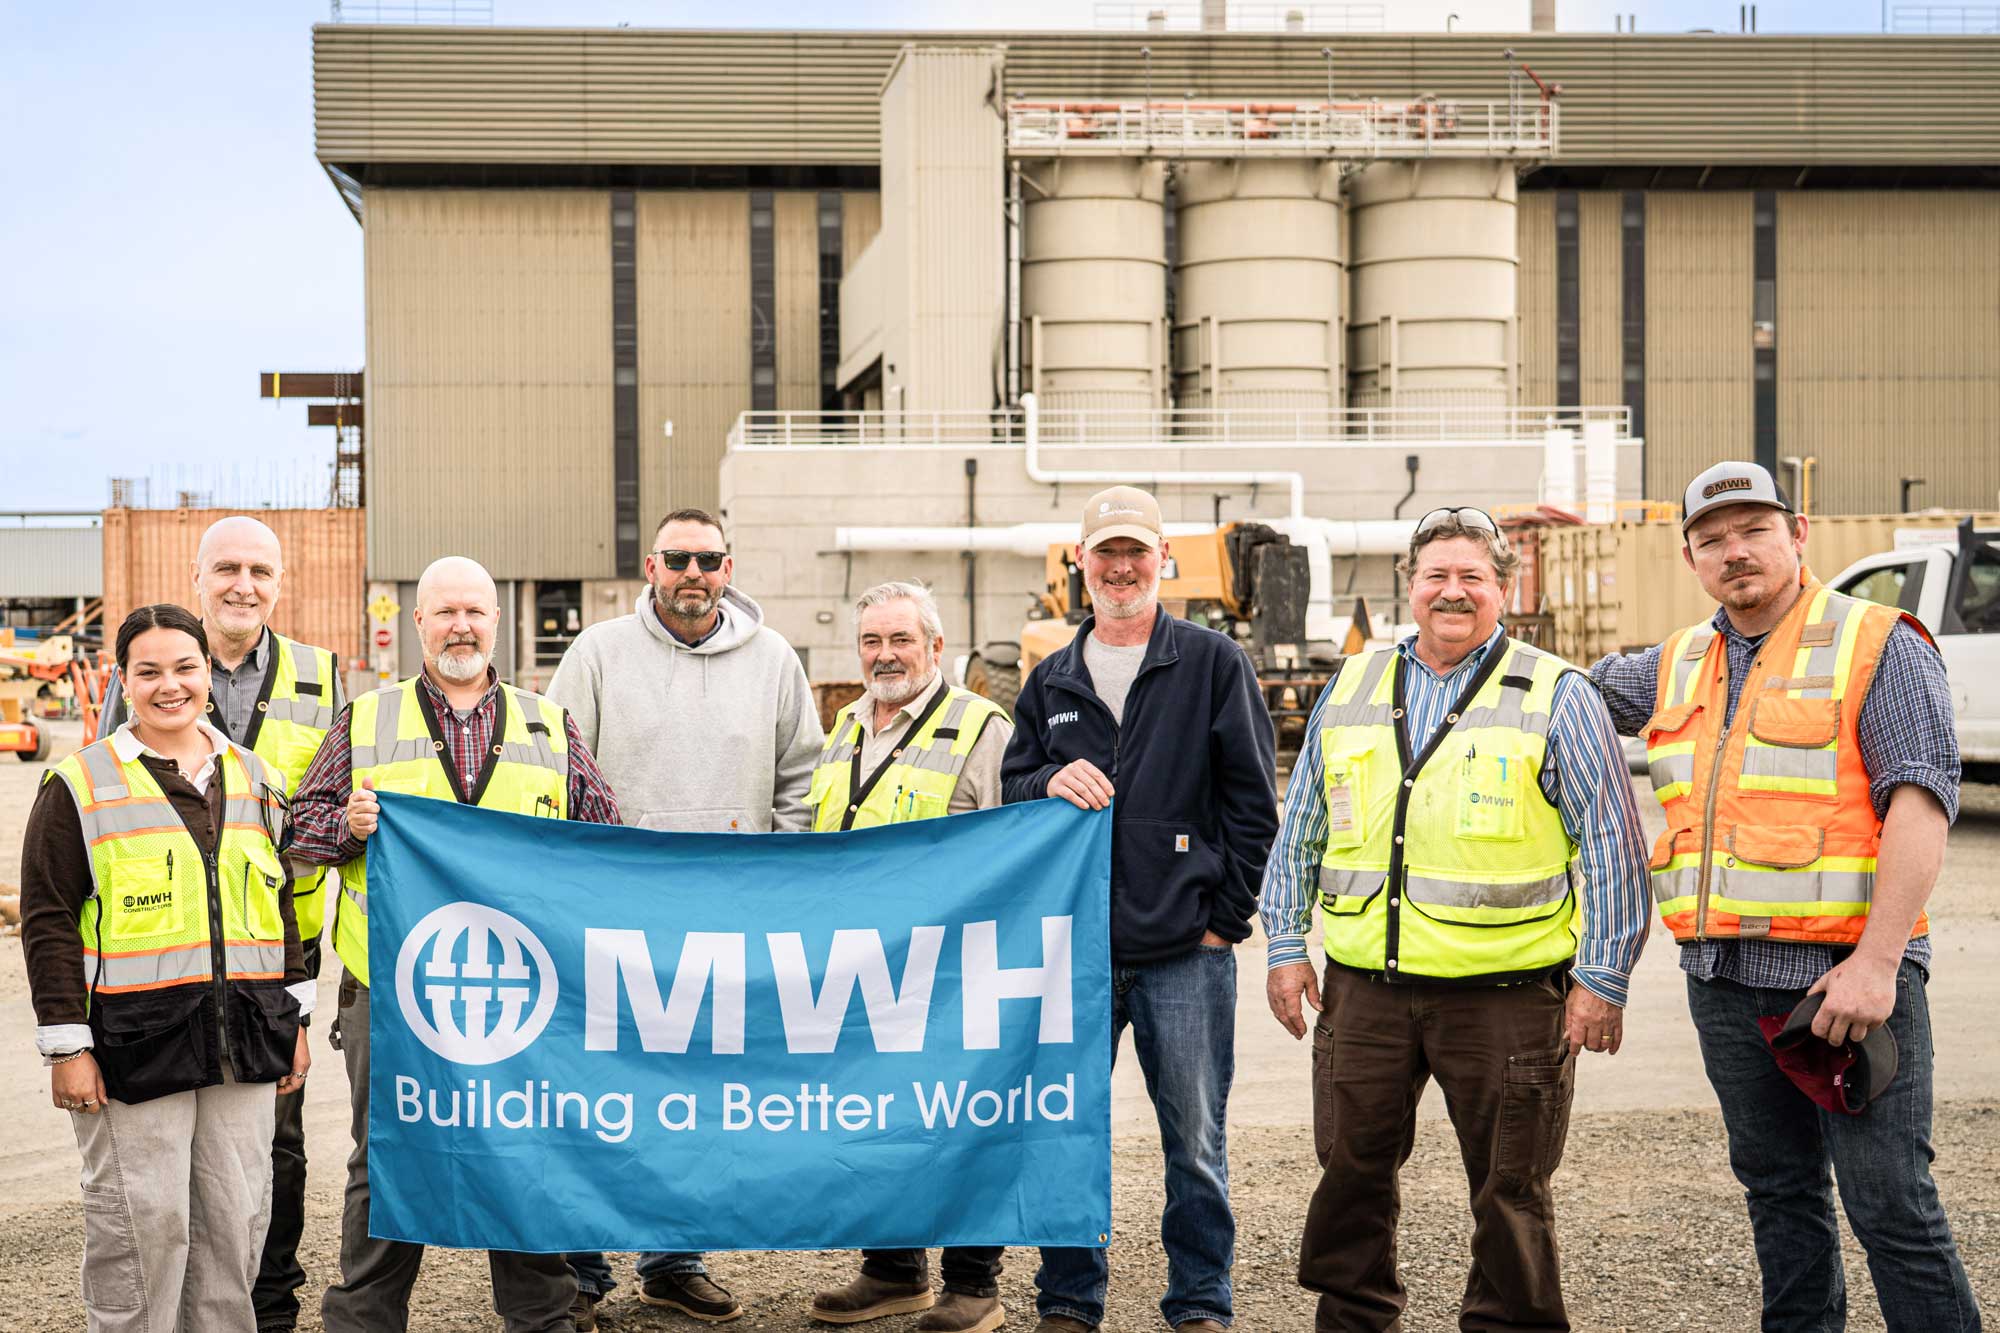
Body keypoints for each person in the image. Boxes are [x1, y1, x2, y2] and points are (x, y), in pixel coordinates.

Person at [1590, 462, 1983, 1331]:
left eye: (1753, 530)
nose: (1735, 551)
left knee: (1891, 1203)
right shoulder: (1674, 664)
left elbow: (1921, 804)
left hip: (1843, 982)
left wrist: (1877, 964)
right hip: (1722, 979)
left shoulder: (1879, 642)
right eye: (1712, 539)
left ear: (1797, 533)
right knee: (1779, 1192)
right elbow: (1562, 693)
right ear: (1690, 557)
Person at [1261, 507, 1651, 1331]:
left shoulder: (1557, 693)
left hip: (1506, 997)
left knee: (1510, 1186)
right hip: (1365, 992)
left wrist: (1602, 979)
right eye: (1436, 574)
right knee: (1351, 1174)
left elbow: (1613, 845)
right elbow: (1301, 829)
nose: (1453, 591)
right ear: (1410, 586)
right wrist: (1286, 944)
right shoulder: (1353, 684)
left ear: (1503, 588)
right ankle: (1356, 1320)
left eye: (1472, 576)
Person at [288, 556, 624, 1333]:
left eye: (474, 611)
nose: (461, 626)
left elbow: (604, 837)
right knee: (387, 1154)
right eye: (445, 612)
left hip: (523, 990)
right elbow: (299, 827)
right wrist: (348, 828)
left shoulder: (548, 724)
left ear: (496, 620)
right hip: (391, 990)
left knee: (523, 1147)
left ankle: (542, 1316)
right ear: (419, 624)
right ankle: (364, 1320)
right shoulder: (365, 720)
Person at [999, 486, 1278, 1333]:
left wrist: (1225, 920)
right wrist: (1048, 778)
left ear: (1164, 560)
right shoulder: (1052, 677)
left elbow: (1253, 803)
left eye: (1136, 552)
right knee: (1065, 1130)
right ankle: (1068, 1297)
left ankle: (1200, 1300)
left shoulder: (1212, 663)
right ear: (1079, 563)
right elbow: (1013, 788)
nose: (1121, 568)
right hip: (1075, 953)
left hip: (1185, 951)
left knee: (1194, 1141)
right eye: (1106, 553)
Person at [548, 507, 823, 1327]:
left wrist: (776, 877)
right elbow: (557, 762)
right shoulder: (597, 653)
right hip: (615, 914)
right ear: (651, 567)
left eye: (708, 559)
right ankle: (582, 1269)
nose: (693, 573)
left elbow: (800, 778)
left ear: (728, 568)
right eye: (677, 559)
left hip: (726, 916)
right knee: (600, 1090)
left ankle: (674, 1260)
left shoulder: (775, 659)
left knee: (693, 1098)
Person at [21, 603, 313, 1332]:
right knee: (141, 1235)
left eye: (185, 667)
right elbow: (49, 919)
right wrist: (67, 1047)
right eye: (148, 671)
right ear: (123, 680)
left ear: (207, 673)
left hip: (244, 1042)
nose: (169, 685)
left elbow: (280, 905)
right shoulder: (79, 784)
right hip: (133, 1046)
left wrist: (295, 1021)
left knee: (233, 1233)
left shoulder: (256, 777)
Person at [97, 514, 344, 1333]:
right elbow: (108, 799)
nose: (244, 585)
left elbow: (333, 803)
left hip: (275, 953)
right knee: (170, 1156)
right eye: (227, 568)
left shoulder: (321, 676)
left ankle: (267, 1311)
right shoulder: (151, 664)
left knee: (273, 1144)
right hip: (165, 959)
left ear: (280, 583)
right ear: (197, 577)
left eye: (260, 571)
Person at [803, 581, 1012, 1333]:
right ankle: (892, 1270)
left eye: (901, 640)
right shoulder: (846, 726)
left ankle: (974, 1283)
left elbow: (1016, 847)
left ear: (935, 647)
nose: (885, 655)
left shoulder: (981, 727)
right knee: (876, 1120)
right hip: (861, 969)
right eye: (872, 641)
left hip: (950, 970)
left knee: (960, 1122)